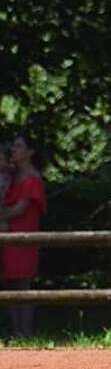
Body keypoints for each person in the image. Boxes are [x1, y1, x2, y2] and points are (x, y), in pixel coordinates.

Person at [0, 133, 47, 338]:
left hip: (24, 237)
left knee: (22, 284)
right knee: (10, 283)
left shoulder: (32, 180)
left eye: (19, 147)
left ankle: (25, 332)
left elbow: (19, 209)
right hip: (8, 235)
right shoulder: (11, 177)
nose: (14, 150)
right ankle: (16, 331)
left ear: (30, 152)